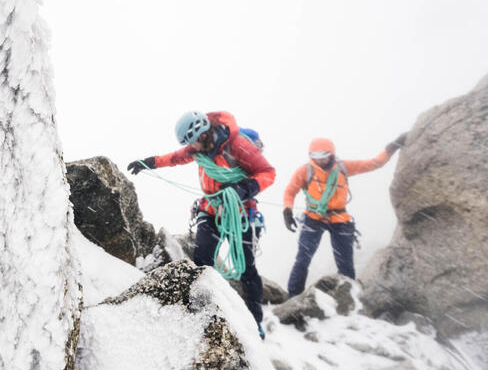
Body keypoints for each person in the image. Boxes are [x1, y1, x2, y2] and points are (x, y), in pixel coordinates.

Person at [127, 110, 276, 338]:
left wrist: (244, 190)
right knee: (202, 260)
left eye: (192, 142)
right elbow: (175, 157)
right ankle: (202, 311)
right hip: (211, 209)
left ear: (203, 133)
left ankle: (255, 322)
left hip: (242, 213)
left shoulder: (237, 146)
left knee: (246, 269)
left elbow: (267, 172)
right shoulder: (199, 150)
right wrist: (149, 163)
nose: (191, 148)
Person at [282, 133, 408, 297]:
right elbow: (290, 191)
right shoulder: (306, 170)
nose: (320, 160)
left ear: (331, 154)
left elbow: (374, 164)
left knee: (345, 264)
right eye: (315, 156)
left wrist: (392, 146)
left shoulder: (343, 167)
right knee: (303, 259)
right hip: (314, 218)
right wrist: (287, 210)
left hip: (340, 219)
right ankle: (293, 297)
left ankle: (349, 299)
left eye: (324, 156)